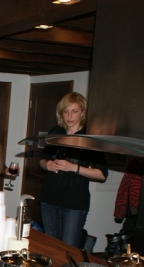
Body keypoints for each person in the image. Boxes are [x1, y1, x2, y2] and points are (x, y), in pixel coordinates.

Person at [39, 92, 108, 248]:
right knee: (50, 247)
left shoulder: (90, 138)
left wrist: (73, 168)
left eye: (74, 111)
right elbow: (42, 161)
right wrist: (47, 165)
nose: (69, 116)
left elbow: (102, 175)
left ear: (83, 112)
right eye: (66, 111)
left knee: (68, 249)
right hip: (49, 199)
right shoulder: (55, 132)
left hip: (74, 203)